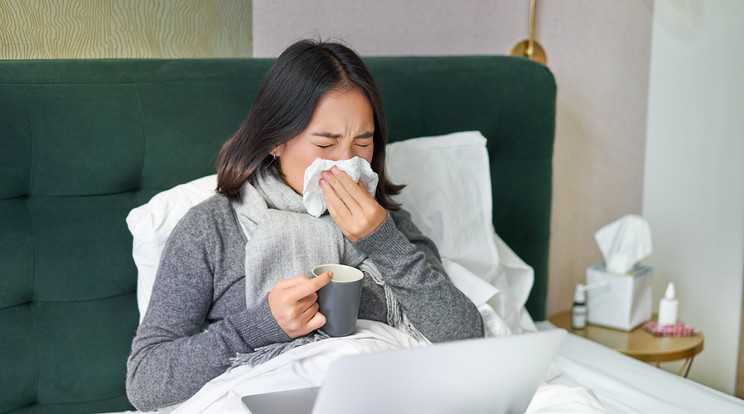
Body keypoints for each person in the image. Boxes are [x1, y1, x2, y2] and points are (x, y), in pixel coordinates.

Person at [125, 39, 484, 411]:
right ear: (276, 140)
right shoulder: (210, 230)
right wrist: (260, 325)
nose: (346, 163)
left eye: (363, 142)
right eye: (326, 144)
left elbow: (467, 340)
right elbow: (145, 381)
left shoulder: (385, 224)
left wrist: (382, 242)